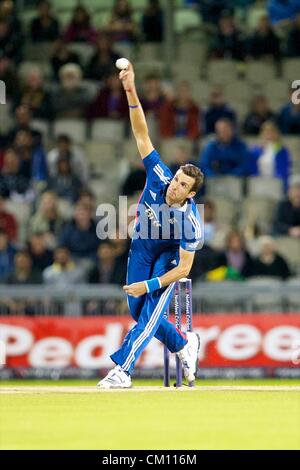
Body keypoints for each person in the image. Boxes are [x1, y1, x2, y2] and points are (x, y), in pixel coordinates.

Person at [98, 61, 204, 389]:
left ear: (192, 193)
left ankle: (123, 370)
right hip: (142, 246)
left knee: (149, 309)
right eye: (176, 180)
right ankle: (185, 344)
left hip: (167, 259)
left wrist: (151, 284)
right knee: (137, 310)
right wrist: (131, 90)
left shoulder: (190, 224)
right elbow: (141, 133)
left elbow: (183, 268)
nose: (175, 186)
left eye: (183, 186)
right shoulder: (159, 176)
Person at [248, 121, 291, 192]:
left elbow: (284, 172)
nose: (269, 135)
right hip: (258, 183)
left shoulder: (282, 151)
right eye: (267, 132)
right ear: (262, 134)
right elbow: (252, 170)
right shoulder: (255, 150)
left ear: (277, 134)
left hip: (276, 184)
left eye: (272, 132)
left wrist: (273, 182)